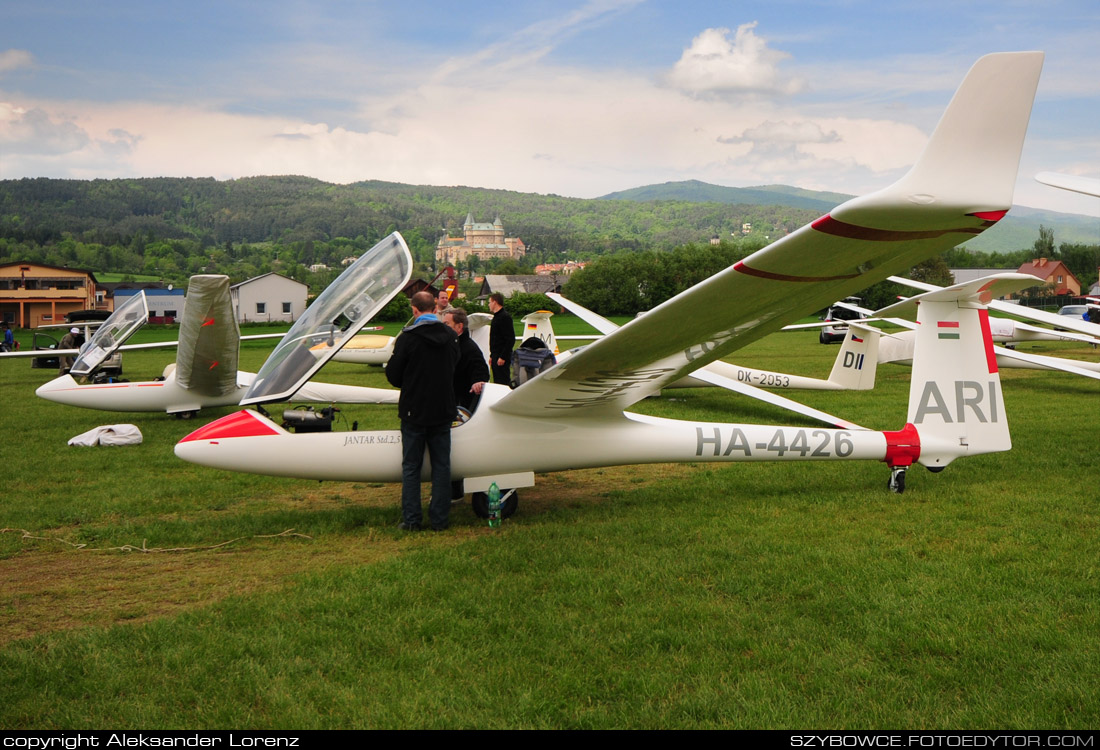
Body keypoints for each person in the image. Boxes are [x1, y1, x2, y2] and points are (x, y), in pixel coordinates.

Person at [385, 291, 460, 531]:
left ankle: (412, 520)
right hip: (443, 408)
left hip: (414, 410)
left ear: (415, 310)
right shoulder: (450, 335)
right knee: (442, 466)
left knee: (411, 467)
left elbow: (394, 376)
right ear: (435, 307)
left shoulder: (408, 338)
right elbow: (454, 365)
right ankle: (439, 519)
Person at [441, 307, 489, 412]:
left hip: (460, 403)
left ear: (459, 326)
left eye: (446, 324)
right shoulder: (446, 344)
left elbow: (480, 369)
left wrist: (478, 381)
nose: (443, 328)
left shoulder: (470, 348)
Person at [488, 292, 514, 386]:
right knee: (497, 380)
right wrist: (492, 355)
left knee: (503, 381)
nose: (489, 305)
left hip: (501, 356)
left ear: (495, 302)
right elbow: (494, 338)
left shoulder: (504, 317)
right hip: (496, 355)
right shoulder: (496, 317)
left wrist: (503, 356)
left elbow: (510, 339)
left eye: (489, 302)